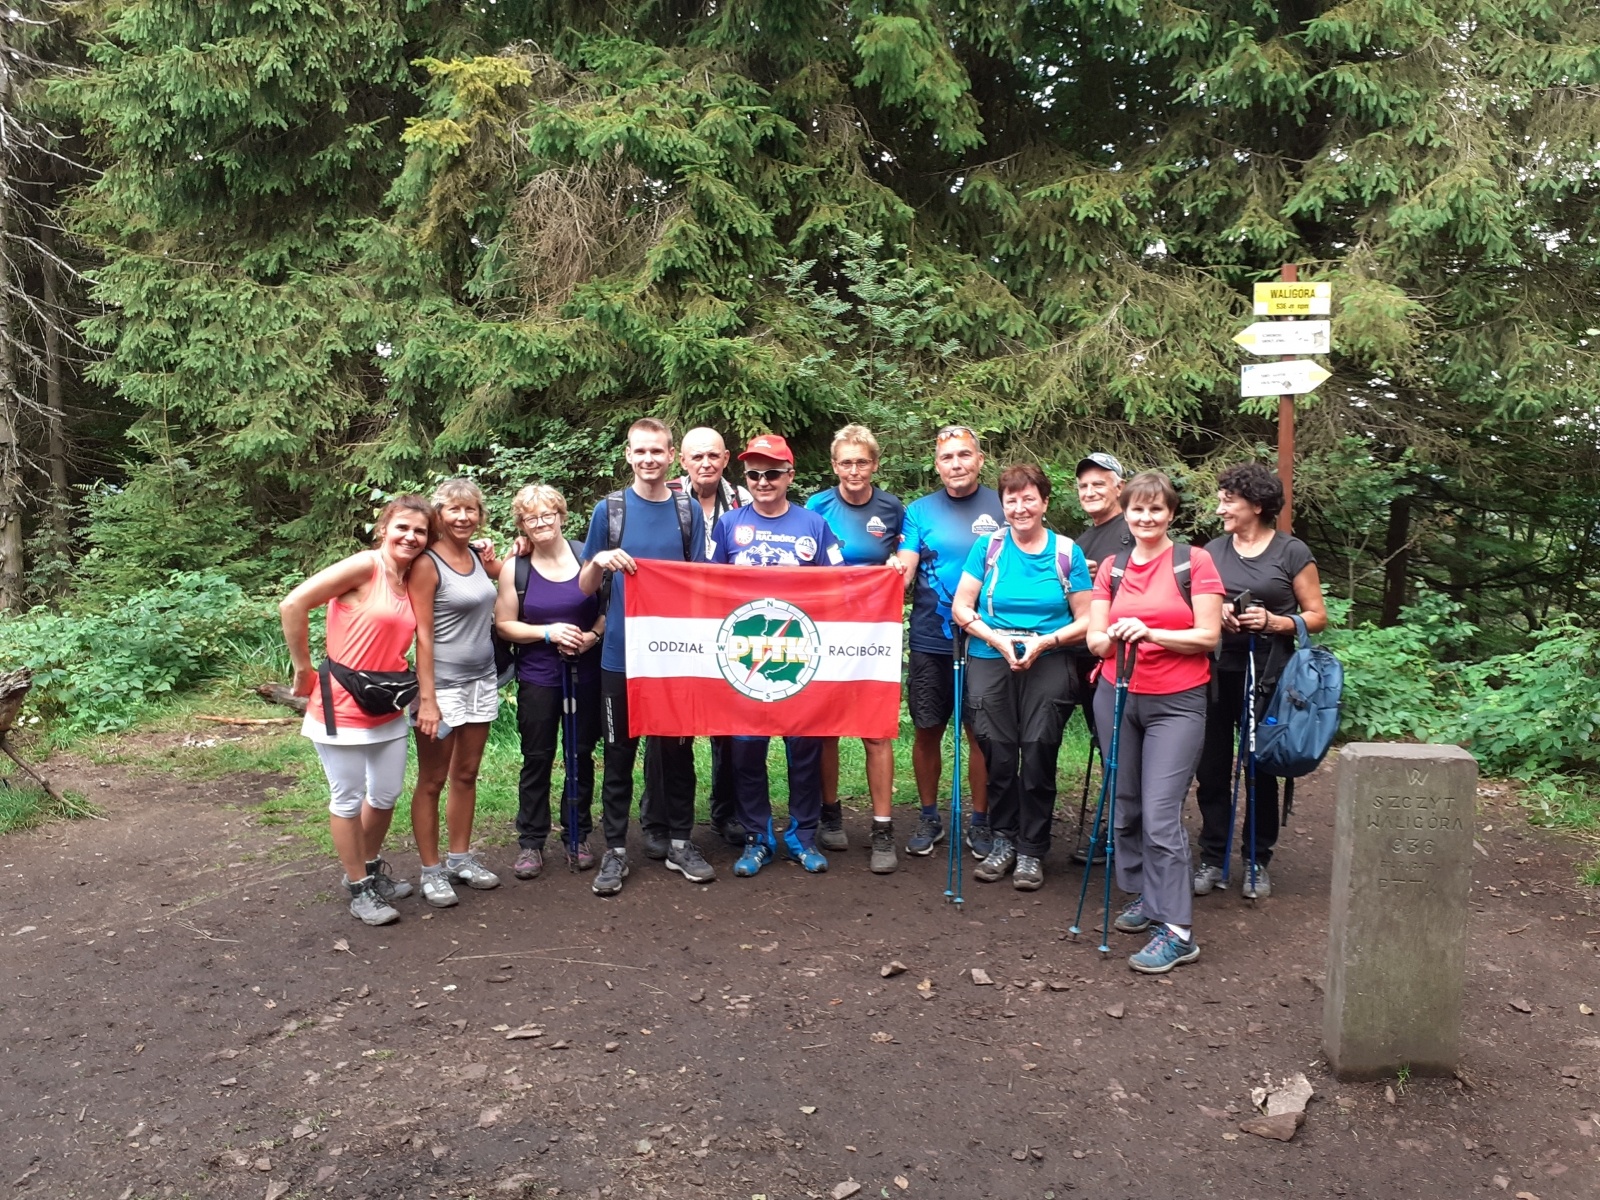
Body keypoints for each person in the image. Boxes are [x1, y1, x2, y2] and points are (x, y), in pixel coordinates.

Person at [1085, 471, 1224, 974]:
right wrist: (1114, 637)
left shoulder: (1194, 561)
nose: (1146, 518)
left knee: (1161, 813)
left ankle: (1178, 931)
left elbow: (1207, 636)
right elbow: (1095, 640)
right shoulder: (1114, 568)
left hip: (1177, 702)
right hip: (1117, 695)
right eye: (1138, 509)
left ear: (1170, 513)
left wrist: (1150, 633)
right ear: (1125, 512)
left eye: (1156, 509)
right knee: (1126, 805)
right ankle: (1147, 893)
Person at [280, 495, 433, 926]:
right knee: (347, 798)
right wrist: (303, 668)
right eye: (402, 527)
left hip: (387, 703)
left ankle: (369, 867)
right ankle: (358, 887)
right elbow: (292, 604)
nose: (410, 537)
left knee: (384, 794)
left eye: (420, 531)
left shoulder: (410, 577)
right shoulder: (365, 566)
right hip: (341, 705)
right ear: (384, 528)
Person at [579, 417, 713, 896]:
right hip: (620, 655)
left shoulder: (687, 511)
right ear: (628, 455)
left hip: (673, 657)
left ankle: (680, 842)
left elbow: (701, 581)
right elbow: (585, 586)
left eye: (657, 451)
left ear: (671, 455)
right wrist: (599, 561)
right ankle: (615, 850)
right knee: (618, 755)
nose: (648, 459)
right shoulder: (610, 510)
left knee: (677, 754)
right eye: (640, 451)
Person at [950, 463, 1092, 890]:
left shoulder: (1066, 552)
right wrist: (996, 640)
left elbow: (1087, 618)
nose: (1020, 507)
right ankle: (1003, 839)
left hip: (1049, 657)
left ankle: (1032, 849)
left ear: (1044, 503)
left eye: (1029, 498)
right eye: (1011, 500)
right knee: (997, 751)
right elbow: (962, 606)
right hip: (990, 654)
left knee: (1038, 750)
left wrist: (1045, 642)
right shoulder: (988, 547)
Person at [709, 433, 845, 877]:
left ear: (790, 475)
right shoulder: (729, 525)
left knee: (803, 748)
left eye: (772, 473)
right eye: (754, 474)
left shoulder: (814, 524)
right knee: (747, 748)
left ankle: (803, 837)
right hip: (744, 655)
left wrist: (885, 576)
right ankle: (757, 837)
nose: (763, 482)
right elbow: (706, 586)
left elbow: (841, 584)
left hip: (799, 654)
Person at [1193, 462, 1327, 900]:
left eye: (1228, 500)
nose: (1220, 508)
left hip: (1271, 677)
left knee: (1260, 768)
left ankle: (1256, 858)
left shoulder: (1291, 552)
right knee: (1211, 768)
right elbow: (1195, 605)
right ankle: (1212, 857)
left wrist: (1274, 622)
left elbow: (1316, 616)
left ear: (1255, 504)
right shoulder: (1212, 551)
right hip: (1215, 673)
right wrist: (1218, 612)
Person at [896, 425, 1003, 859]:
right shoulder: (918, 511)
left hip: (985, 640)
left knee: (981, 734)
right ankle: (928, 816)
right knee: (927, 730)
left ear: (979, 459)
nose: (956, 464)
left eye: (964, 455)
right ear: (937, 465)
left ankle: (980, 820)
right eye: (947, 458)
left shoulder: (1004, 504)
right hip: (930, 639)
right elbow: (905, 570)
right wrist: (890, 574)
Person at [805, 424, 906, 874]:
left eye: (862, 462)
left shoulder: (892, 508)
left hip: (873, 633)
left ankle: (882, 829)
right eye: (846, 462)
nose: (854, 470)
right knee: (825, 727)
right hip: (825, 630)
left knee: (876, 730)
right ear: (834, 466)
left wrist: (897, 564)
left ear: (875, 465)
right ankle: (830, 814)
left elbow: (905, 560)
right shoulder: (816, 507)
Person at [495, 484, 604, 879]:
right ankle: (531, 841)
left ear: (561, 516)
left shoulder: (586, 556)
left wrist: (592, 636)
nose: (541, 523)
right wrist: (547, 633)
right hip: (538, 676)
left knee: (580, 755)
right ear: (522, 524)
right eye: (531, 518)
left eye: (547, 515)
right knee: (537, 757)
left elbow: (607, 609)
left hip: (585, 673)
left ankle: (578, 834)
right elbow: (504, 624)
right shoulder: (516, 568)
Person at [407, 479, 505, 907]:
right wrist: (427, 700)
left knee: (466, 774)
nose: (463, 517)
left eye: (471, 510)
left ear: (480, 516)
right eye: (454, 510)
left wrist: (508, 552)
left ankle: (460, 859)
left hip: (482, 679)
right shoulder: (427, 563)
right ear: (439, 515)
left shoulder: (477, 556)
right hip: (441, 687)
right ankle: (431, 871)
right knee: (432, 780)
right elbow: (423, 636)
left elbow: (505, 578)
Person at [653, 425, 750, 848]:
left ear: (726, 459)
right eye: (697, 456)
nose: (706, 464)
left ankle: (728, 813)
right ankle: (659, 818)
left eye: (714, 456)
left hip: (732, 625)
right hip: (676, 624)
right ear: (682, 460)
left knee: (729, 724)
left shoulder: (746, 498)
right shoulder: (664, 497)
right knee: (669, 724)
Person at [1067, 452, 1132, 863]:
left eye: (1098, 484)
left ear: (1119, 487)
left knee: (1121, 744)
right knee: (1105, 741)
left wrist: (1105, 579)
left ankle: (1125, 828)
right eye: (1083, 486)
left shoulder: (1134, 530)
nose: (1090, 492)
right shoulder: (1081, 541)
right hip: (1082, 654)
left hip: (1121, 657)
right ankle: (1115, 822)